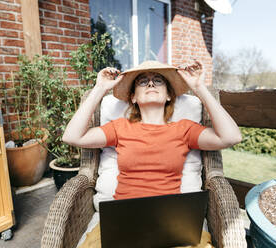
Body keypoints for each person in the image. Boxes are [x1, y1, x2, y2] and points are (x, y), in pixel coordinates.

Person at [62, 60, 242, 248]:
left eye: (158, 81)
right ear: (133, 97)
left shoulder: (184, 129)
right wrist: (99, 89)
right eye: (142, 81)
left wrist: (199, 87)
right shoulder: (120, 127)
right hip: (123, 224)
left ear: (168, 96)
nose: (150, 84)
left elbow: (231, 137)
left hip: (172, 225)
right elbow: (72, 136)